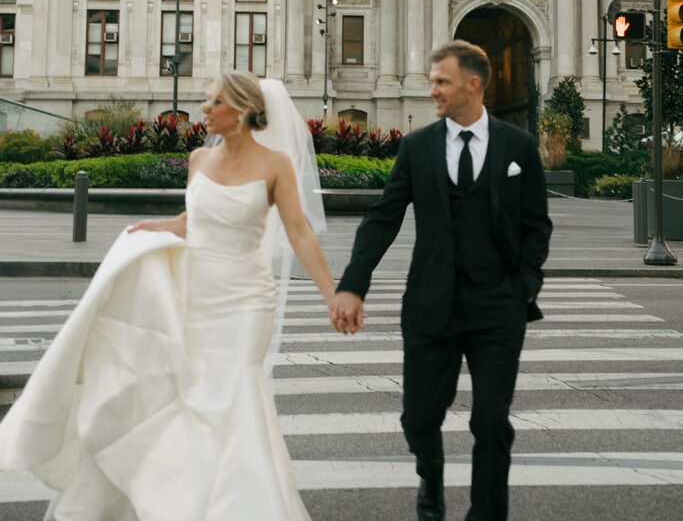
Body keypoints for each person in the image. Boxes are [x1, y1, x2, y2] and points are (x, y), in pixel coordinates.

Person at [0, 72, 336, 520]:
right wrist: (159, 227)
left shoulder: (275, 164)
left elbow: (298, 231)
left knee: (235, 393)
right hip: (195, 293)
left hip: (245, 298)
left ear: (239, 110)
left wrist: (333, 294)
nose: (204, 110)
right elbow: (195, 215)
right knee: (189, 396)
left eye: (213, 102)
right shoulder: (199, 159)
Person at [331, 40, 552, 521]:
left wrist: (524, 287)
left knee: (492, 422)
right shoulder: (417, 147)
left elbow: (537, 225)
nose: (432, 90)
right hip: (432, 305)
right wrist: (352, 284)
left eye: (441, 81)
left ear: (473, 85)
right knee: (420, 418)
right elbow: (383, 218)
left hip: (499, 307)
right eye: (432, 81)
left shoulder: (518, 146)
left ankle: (485, 514)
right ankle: (430, 477)